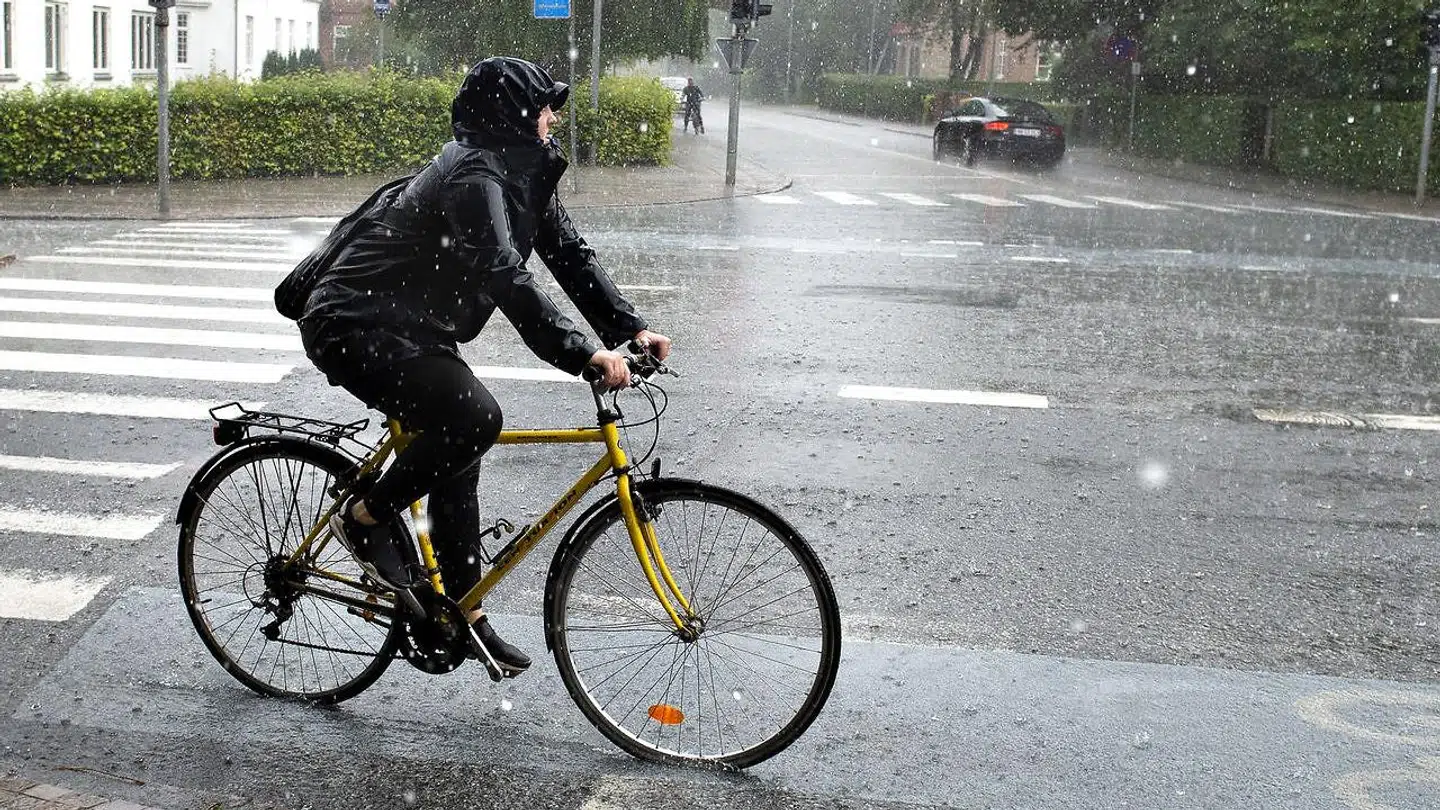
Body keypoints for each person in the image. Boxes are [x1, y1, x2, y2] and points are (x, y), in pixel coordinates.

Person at [295, 56, 672, 678]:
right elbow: (505, 275)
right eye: (545, 107)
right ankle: (363, 518)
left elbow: (569, 255)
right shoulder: (473, 175)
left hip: (409, 326)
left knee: (458, 444)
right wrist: (583, 355)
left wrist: (629, 329)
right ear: (511, 116)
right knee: (472, 418)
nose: (553, 118)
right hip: (354, 324)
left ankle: (460, 612)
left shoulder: (520, 171)